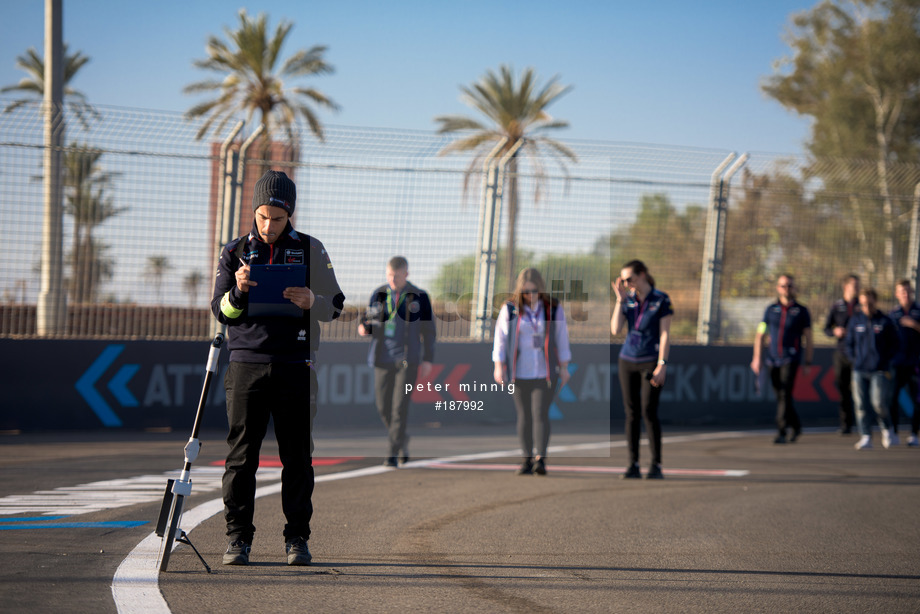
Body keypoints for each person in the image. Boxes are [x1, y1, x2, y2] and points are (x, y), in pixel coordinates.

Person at [211, 170, 345, 566]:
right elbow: (222, 313)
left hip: (296, 366)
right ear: (254, 211)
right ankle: (238, 539)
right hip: (245, 368)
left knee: (298, 458)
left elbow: (336, 305)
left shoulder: (311, 249)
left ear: (292, 215)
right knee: (240, 459)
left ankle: (297, 539)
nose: (269, 226)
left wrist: (312, 302)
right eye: (263, 217)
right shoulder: (233, 252)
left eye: (278, 219)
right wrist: (237, 290)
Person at [358, 256, 436, 466]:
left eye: (397, 276)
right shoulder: (380, 294)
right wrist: (364, 328)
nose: (393, 280)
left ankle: (392, 453)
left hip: (407, 361)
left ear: (406, 275)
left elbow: (429, 331)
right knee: (383, 406)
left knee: (399, 408)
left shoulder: (420, 297)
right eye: (390, 276)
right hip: (382, 359)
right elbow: (369, 321)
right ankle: (401, 438)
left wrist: (428, 359)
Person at [493, 268, 572, 475]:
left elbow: (562, 337)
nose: (530, 295)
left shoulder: (553, 308)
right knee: (524, 415)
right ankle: (526, 458)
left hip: (544, 370)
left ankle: (541, 459)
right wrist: (498, 366)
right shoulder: (510, 308)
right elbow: (500, 339)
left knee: (540, 413)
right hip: (518, 371)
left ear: (541, 289)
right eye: (526, 291)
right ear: (520, 290)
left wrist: (564, 367)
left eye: (534, 291)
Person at [611, 260, 673, 479]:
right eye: (623, 280)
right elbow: (616, 329)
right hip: (627, 360)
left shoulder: (660, 299)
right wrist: (620, 300)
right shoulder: (628, 301)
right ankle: (633, 463)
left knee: (649, 411)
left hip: (650, 361)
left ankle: (656, 464)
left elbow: (665, 333)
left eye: (630, 279)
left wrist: (662, 364)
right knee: (631, 413)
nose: (627, 283)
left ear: (642, 275)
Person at [750, 274, 813, 445]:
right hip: (772, 359)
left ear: (794, 288)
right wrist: (757, 358)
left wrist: (808, 361)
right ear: (778, 288)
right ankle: (797, 425)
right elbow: (760, 334)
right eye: (783, 286)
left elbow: (808, 338)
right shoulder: (770, 310)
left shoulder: (801, 311)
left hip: (790, 358)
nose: (787, 289)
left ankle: (782, 430)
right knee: (781, 396)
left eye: (790, 286)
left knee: (785, 393)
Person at [845, 288, 899, 450]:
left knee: (878, 403)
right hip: (859, 369)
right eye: (863, 303)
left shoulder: (885, 321)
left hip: (879, 369)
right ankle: (866, 436)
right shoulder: (855, 320)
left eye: (869, 302)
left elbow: (895, 344)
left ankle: (887, 429)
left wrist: (885, 361)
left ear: (875, 301)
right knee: (860, 404)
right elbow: (849, 344)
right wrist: (854, 360)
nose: (866, 306)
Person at [824, 274, 860, 434]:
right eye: (854, 285)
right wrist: (835, 331)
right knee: (843, 389)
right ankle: (846, 424)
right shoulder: (837, 306)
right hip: (841, 353)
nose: (857, 289)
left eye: (858, 286)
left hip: (859, 354)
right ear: (846, 287)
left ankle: (863, 424)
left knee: (859, 390)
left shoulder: (863, 305)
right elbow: (826, 328)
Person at [889, 279, 920, 447]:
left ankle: (914, 434)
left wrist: (915, 325)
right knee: (892, 398)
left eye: (908, 291)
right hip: (897, 363)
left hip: (915, 363)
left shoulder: (918, 311)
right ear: (897, 294)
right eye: (902, 291)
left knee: (917, 399)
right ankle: (893, 432)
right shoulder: (893, 314)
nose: (905, 294)